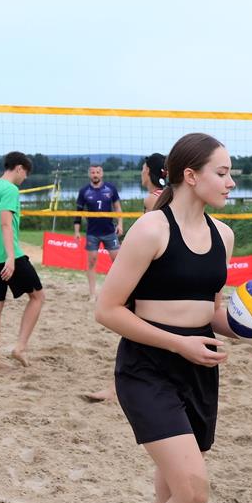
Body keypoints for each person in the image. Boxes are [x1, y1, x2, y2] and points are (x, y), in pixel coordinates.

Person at [95, 133, 239, 503]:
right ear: (190, 176)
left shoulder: (223, 236)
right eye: (222, 172)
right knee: (193, 492)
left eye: (231, 172)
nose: (231, 181)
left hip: (197, 369)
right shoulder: (152, 229)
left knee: (170, 491)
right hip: (147, 369)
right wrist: (179, 345)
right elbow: (107, 310)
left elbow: (209, 311)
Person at [84, 151, 166, 403]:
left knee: (130, 329)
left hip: (153, 272)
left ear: (148, 171)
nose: (141, 172)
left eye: (143, 168)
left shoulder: (153, 199)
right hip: (166, 271)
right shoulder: (169, 195)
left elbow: (151, 238)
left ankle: (115, 388)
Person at [0, 151, 45, 369]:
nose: (25, 178)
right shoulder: (10, 189)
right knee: (38, 296)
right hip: (9, 255)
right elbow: (5, 223)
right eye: (25, 173)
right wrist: (10, 257)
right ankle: (20, 347)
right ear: (19, 168)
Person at [74, 164, 123, 300]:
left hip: (109, 231)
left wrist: (120, 224)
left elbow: (118, 208)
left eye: (98, 172)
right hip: (92, 233)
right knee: (91, 262)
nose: (95, 175)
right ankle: (92, 294)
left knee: (118, 262)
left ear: (102, 174)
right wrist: (76, 231)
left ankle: (118, 292)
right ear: (89, 174)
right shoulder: (84, 191)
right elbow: (78, 213)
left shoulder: (110, 188)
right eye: (93, 172)